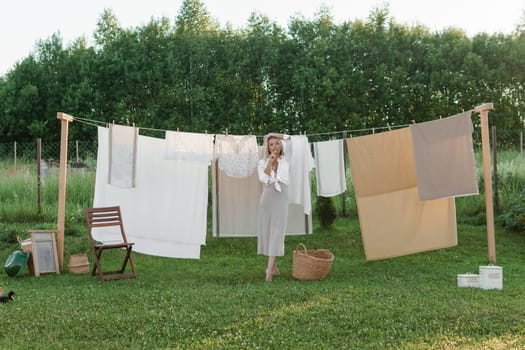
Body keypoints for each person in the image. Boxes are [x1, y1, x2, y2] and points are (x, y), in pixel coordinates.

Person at [257, 132, 292, 282]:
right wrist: (271, 161)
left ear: (281, 145)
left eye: (277, 143)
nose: (275, 146)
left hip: (282, 196)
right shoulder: (262, 162)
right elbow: (263, 177)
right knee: (270, 232)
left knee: (278, 232)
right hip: (268, 197)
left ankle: (269, 270)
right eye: (271, 144)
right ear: (268, 148)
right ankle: (272, 268)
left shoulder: (287, 158)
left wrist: (272, 134)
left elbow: (291, 139)